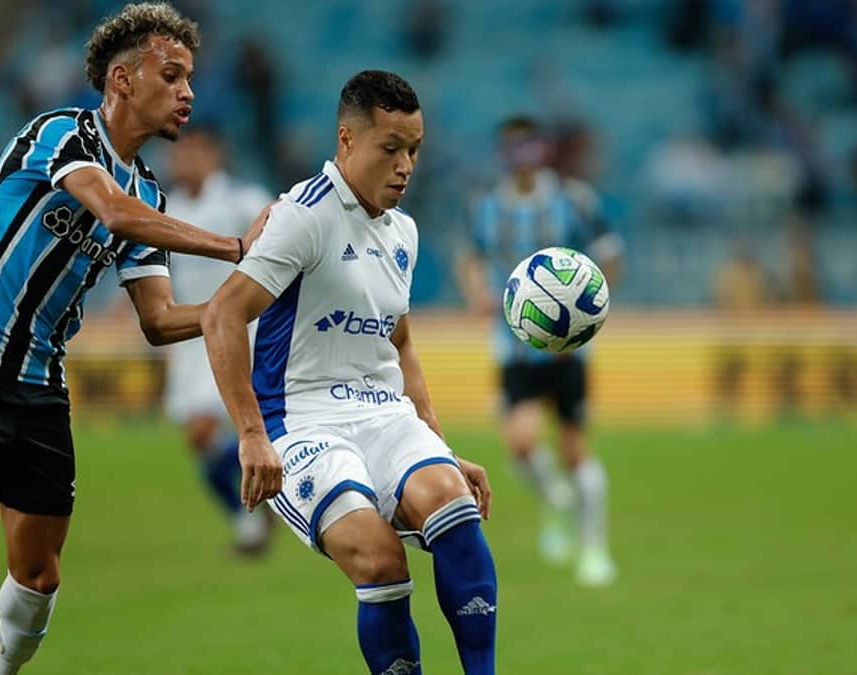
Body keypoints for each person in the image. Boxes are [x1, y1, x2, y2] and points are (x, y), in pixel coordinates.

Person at [0, 5, 281, 674]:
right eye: (172, 75)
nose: (188, 92)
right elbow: (109, 210)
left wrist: (238, 303)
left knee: (40, 574)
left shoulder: (148, 193)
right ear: (122, 79)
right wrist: (234, 248)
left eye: (191, 77)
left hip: (40, 388)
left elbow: (160, 319)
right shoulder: (59, 135)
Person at [202, 70, 497, 675]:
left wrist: (437, 443)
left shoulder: (403, 233)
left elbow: (401, 339)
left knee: (452, 505)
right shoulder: (301, 216)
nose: (405, 166)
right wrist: (253, 434)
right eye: (390, 148)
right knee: (378, 556)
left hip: (384, 414)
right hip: (302, 421)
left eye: (414, 150)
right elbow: (223, 315)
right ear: (345, 140)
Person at [456, 115, 621, 587]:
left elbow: (609, 255)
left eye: (528, 145)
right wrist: (477, 293)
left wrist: (587, 312)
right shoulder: (485, 206)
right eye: (513, 146)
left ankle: (594, 552)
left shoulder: (573, 199)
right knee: (521, 445)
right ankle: (555, 500)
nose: (521, 155)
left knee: (575, 450)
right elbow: (469, 256)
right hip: (515, 348)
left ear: (541, 149)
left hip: (569, 351)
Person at [162, 124, 275, 555]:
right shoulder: (168, 206)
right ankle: (256, 505)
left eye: (191, 153)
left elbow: (279, 232)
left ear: (212, 155)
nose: (181, 161)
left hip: (240, 329)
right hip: (190, 334)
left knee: (209, 427)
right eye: (178, 154)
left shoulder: (240, 200)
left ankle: (259, 499)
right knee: (198, 439)